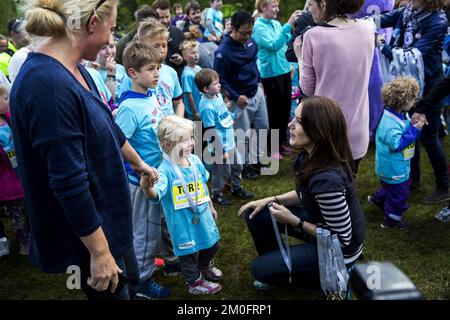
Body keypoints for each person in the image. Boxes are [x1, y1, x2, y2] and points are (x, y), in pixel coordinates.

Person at [10, 0, 159, 300]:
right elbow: (68, 182)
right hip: (91, 237)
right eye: (112, 29)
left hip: (111, 221)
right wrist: (100, 252)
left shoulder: (76, 69)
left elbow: (106, 125)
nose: (111, 40)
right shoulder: (47, 86)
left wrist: (139, 162)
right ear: (92, 23)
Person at [238, 96, 365, 290]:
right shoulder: (310, 155)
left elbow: (341, 239)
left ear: (318, 130)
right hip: (322, 227)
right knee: (256, 213)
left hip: (339, 252)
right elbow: (304, 194)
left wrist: (294, 221)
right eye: (294, 118)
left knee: (260, 269)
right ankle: (282, 269)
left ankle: (333, 277)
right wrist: (270, 199)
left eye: (298, 121)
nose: (290, 124)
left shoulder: (327, 180)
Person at [375, 0, 449, 204]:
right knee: (408, 130)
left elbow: (412, 54)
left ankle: (444, 187)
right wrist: (359, 24)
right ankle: (412, 179)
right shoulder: (409, 11)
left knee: (429, 138)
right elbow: (382, 19)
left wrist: (381, 45)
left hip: (431, 86)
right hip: (408, 85)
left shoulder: (438, 20)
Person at [115, 41, 173, 299]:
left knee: (154, 226)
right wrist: (140, 170)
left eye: (158, 67)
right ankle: (140, 283)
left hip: (157, 175)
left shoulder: (150, 96)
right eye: (151, 69)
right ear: (132, 73)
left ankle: (146, 265)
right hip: (140, 182)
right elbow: (117, 146)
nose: (157, 73)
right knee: (144, 231)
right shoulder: (128, 108)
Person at [140, 115, 223, 295]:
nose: (190, 143)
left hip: (203, 216)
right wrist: (147, 187)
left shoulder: (194, 160)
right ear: (167, 144)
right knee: (188, 257)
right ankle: (194, 283)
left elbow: (202, 184)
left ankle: (204, 265)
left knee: (213, 244)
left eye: (191, 137)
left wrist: (210, 206)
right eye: (183, 140)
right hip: (182, 226)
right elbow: (155, 195)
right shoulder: (164, 170)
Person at [294, 0, 375, 172]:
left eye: (311, 4)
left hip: (326, 130)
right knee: (349, 185)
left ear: (323, 4)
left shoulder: (314, 35)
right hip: (358, 128)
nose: (309, 9)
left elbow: (307, 89)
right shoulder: (368, 28)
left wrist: (300, 56)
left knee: (326, 190)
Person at [214, 10, 269, 179]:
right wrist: (236, 96)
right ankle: (244, 166)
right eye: (243, 33)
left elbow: (253, 64)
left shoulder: (251, 41)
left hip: (256, 91)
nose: (247, 36)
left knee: (263, 127)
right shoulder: (222, 52)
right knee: (242, 135)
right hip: (239, 99)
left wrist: (259, 82)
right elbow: (220, 80)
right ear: (233, 29)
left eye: (249, 32)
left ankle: (257, 160)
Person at [368, 77, 424, 230]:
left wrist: (411, 124)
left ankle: (378, 200)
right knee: (400, 194)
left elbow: (402, 127)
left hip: (390, 167)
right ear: (402, 102)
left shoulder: (394, 114)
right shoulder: (390, 124)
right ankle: (392, 220)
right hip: (394, 169)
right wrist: (415, 130)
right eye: (412, 99)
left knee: (389, 188)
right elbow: (397, 144)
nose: (414, 102)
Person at [195, 69, 254, 206]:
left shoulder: (218, 96)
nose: (219, 85)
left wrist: (239, 109)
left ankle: (236, 188)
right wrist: (220, 151)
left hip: (230, 143)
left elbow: (226, 116)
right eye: (215, 84)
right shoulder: (206, 107)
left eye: (218, 82)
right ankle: (216, 194)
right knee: (221, 173)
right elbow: (210, 131)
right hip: (219, 147)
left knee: (238, 166)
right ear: (205, 89)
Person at [253, 0, 302, 160]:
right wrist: (288, 25)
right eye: (273, 6)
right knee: (274, 113)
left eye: (277, 6)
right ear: (262, 7)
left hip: (284, 71)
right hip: (271, 75)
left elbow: (283, 44)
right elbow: (274, 45)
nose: (277, 9)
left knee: (284, 111)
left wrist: (288, 65)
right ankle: (272, 148)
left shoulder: (274, 23)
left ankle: (281, 143)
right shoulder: (258, 27)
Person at [118, 21, 185, 117]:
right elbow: (124, 107)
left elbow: (178, 103)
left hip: (170, 128)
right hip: (146, 128)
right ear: (142, 46)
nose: (161, 50)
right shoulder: (133, 76)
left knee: (197, 130)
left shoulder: (171, 72)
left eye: (164, 45)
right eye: (156, 46)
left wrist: (178, 123)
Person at [0, 84, 30, 258]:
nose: (8, 101)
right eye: (5, 99)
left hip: (20, 174)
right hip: (7, 182)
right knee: (18, 217)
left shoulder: (9, 120)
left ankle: (32, 239)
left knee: (27, 211)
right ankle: (24, 243)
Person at [153, 0, 186, 79]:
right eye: (161, 17)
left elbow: (189, 57)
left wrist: (182, 60)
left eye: (167, 17)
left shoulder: (178, 32)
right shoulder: (149, 37)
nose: (165, 21)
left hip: (177, 79)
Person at [180, 40, 202, 120]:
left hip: (202, 108)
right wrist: (195, 112)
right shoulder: (187, 74)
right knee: (197, 132)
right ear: (185, 57)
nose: (196, 55)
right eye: (193, 53)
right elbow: (188, 95)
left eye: (197, 52)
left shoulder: (199, 68)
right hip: (194, 113)